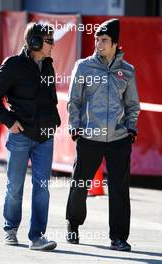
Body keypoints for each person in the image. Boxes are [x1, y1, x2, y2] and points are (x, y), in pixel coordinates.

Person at [66, 18, 140, 251]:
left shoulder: (127, 71)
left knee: (119, 189)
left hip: (119, 140)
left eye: (104, 40)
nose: (99, 44)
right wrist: (75, 129)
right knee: (80, 184)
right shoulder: (83, 66)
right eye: (97, 39)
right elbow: (74, 101)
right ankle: (73, 225)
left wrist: (131, 129)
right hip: (89, 137)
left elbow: (133, 105)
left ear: (116, 43)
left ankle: (118, 237)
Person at [0, 22, 61, 250]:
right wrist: (10, 122)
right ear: (35, 42)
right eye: (48, 41)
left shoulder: (48, 66)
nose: (52, 45)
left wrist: (55, 123)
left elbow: (50, 98)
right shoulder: (13, 65)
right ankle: (10, 229)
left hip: (45, 136)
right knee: (15, 186)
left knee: (42, 187)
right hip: (20, 136)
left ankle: (37, 237)